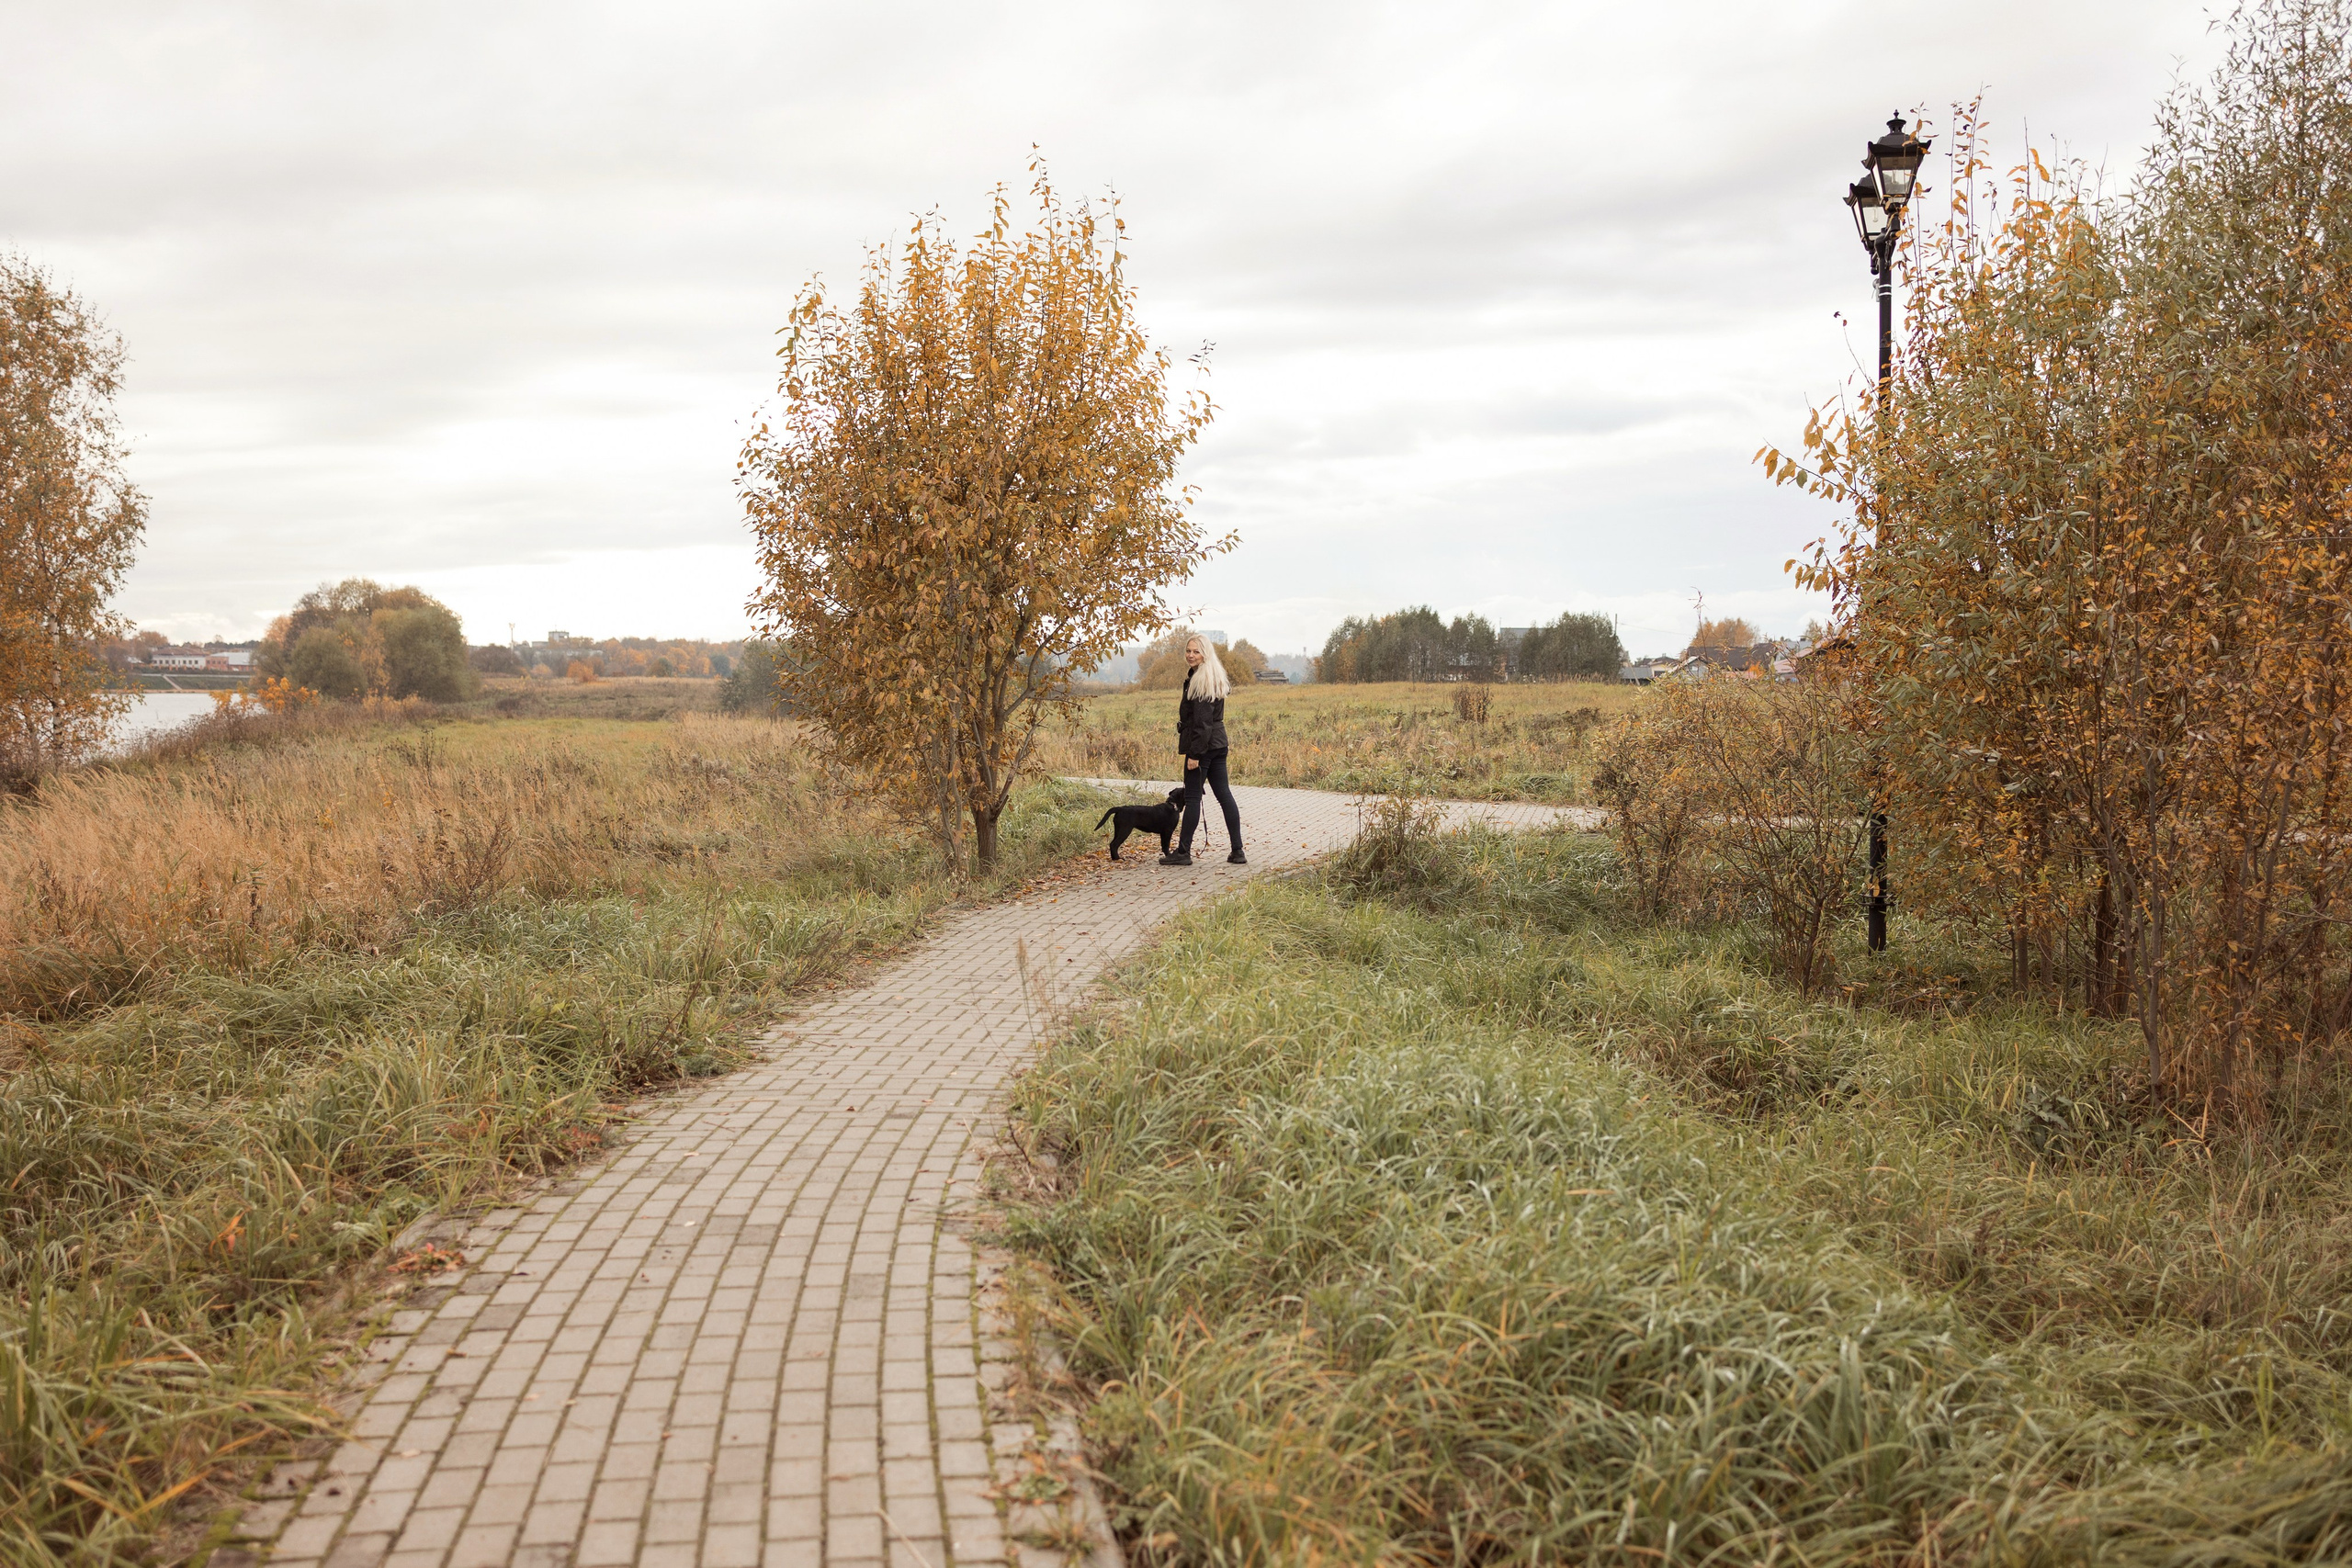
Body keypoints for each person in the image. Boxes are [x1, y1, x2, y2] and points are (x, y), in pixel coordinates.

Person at [1164, 633, 1245, 867]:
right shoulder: (1215, 676)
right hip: (1219, 744)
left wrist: (1195, 755)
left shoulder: (1200, 682)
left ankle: (1183, 852)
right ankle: (1237, 851)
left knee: (1192, 797)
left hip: (1204, 746)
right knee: (1224, 795)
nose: (1191, 655)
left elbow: (1202, 723)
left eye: (1196, 651)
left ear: (1205, 654)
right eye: (1188, 651)